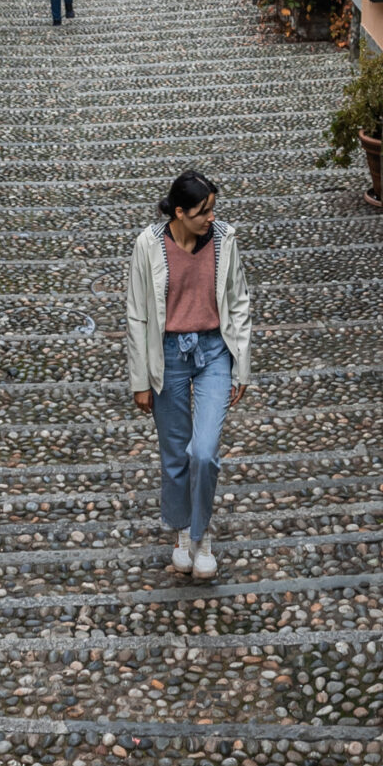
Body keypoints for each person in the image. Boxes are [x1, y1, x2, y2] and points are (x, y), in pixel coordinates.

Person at [127, 170, 251, 582]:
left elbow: (238, 302)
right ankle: (183, 532)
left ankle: (202, 534)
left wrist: (242, 365)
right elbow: (137, 314)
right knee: (175, 455)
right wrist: (140, 379)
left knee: (204, 451)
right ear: (179, 212)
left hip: (215, 350)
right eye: (202, 212)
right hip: (168, 357)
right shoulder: (148, 245)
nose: (211, 218)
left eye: (213, 209)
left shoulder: (224, 240)